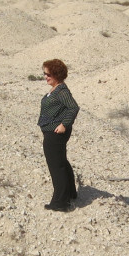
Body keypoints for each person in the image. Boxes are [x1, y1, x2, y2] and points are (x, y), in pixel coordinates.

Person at [37, 58, 79, 212]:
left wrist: (64, 125)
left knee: (56, 167)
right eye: (44, 73)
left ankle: (60, 203)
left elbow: (73, 108)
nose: (45, 77)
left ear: (56, 74)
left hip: (55, 134)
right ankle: (71, 193)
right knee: (62, 162)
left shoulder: (62, 91)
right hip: (52, 132)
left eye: (48, 74)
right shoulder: (56, 89)